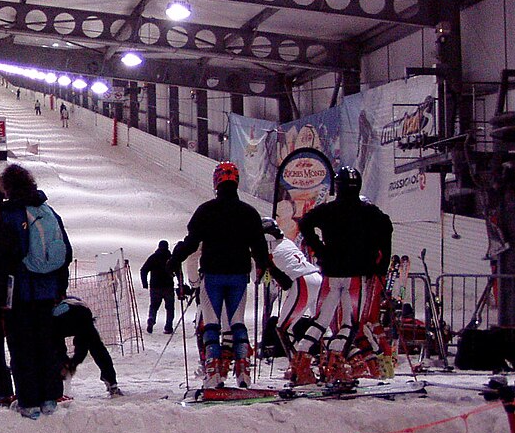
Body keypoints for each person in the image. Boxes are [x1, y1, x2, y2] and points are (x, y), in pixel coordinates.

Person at [168, 162, 284, 390]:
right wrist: (273, 273)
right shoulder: (249, 213)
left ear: (216, 183)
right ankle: (243, 371)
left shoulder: (206, 210)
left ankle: (214, 372)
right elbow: (260, 250)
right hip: (239, 275)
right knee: (237, 322)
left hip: (213, 274)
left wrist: (174, 260)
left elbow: (191, 242)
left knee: (211, 324)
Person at [0, 164, 72, 418]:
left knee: (22, 347)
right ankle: (50, 397)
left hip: (21, 293)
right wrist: (59, 288)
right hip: (47, 293)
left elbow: (3, 257)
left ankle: (28, 401)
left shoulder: (9, 215)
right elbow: (66, 252)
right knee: (46, 345)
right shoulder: (48, 211)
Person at [296, 166, 394, 383]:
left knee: (321, 320)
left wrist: (320, 249)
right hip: (356, 276)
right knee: (349, 324)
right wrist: (380, 265)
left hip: (331, 273)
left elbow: (304, 223)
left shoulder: (329, 210)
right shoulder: (368, 212)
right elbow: (386, 227)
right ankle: (335, 362)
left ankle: (301, 362)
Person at [260, 219, 323, 385]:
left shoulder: (270, 249)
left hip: (302, 282)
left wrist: (266, 269)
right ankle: (329, 364)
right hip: (316, 277)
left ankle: (299, 367)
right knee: (322, 326)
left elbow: (272, 279)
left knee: (282, 328)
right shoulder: (287, 242)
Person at [55, 295, 122, 397]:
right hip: (81, 314)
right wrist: (71, 362)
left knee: (95, 347)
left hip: (76, 316)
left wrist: (69, 363)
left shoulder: (59, 315)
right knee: (97, 348)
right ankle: (111, 382)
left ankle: (111, 381)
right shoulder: (64, 310)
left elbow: (79, 344)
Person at [140, 240, 179, 334]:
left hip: (155, 287)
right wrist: (180, 284)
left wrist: (145, 283)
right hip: (168, 286)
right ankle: (168, 327)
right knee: (170, 308)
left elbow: (143, 270)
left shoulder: (153, 258)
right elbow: (178, 272)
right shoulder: (171, 258)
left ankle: (151, 319)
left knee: (154, 306)